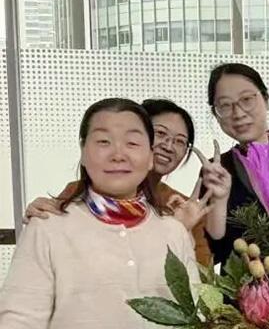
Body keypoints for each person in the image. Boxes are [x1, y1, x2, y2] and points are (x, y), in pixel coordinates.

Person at [0, 98, 199, 329]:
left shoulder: (172, 231)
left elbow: (192, 321)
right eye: (103, 141)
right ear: (83, 151)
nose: (118, 153)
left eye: (132, 143)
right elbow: (19, 321)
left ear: (150, 156)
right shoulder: (50, 227)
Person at [24, 98, 227, 267]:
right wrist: (41, 218)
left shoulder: (185, 207)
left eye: (180, 141)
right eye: (160, 133)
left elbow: (203, 282)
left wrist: (181, 233)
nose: (168, 146)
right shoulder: (81, 192)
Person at [204, 62, 269, 265]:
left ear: (266, 99)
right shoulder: (216, 171)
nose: (238, 113)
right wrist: (219, 201)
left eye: (247, 99)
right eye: (225, 105)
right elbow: (213, 254)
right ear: (216, 115)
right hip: (244, 283)